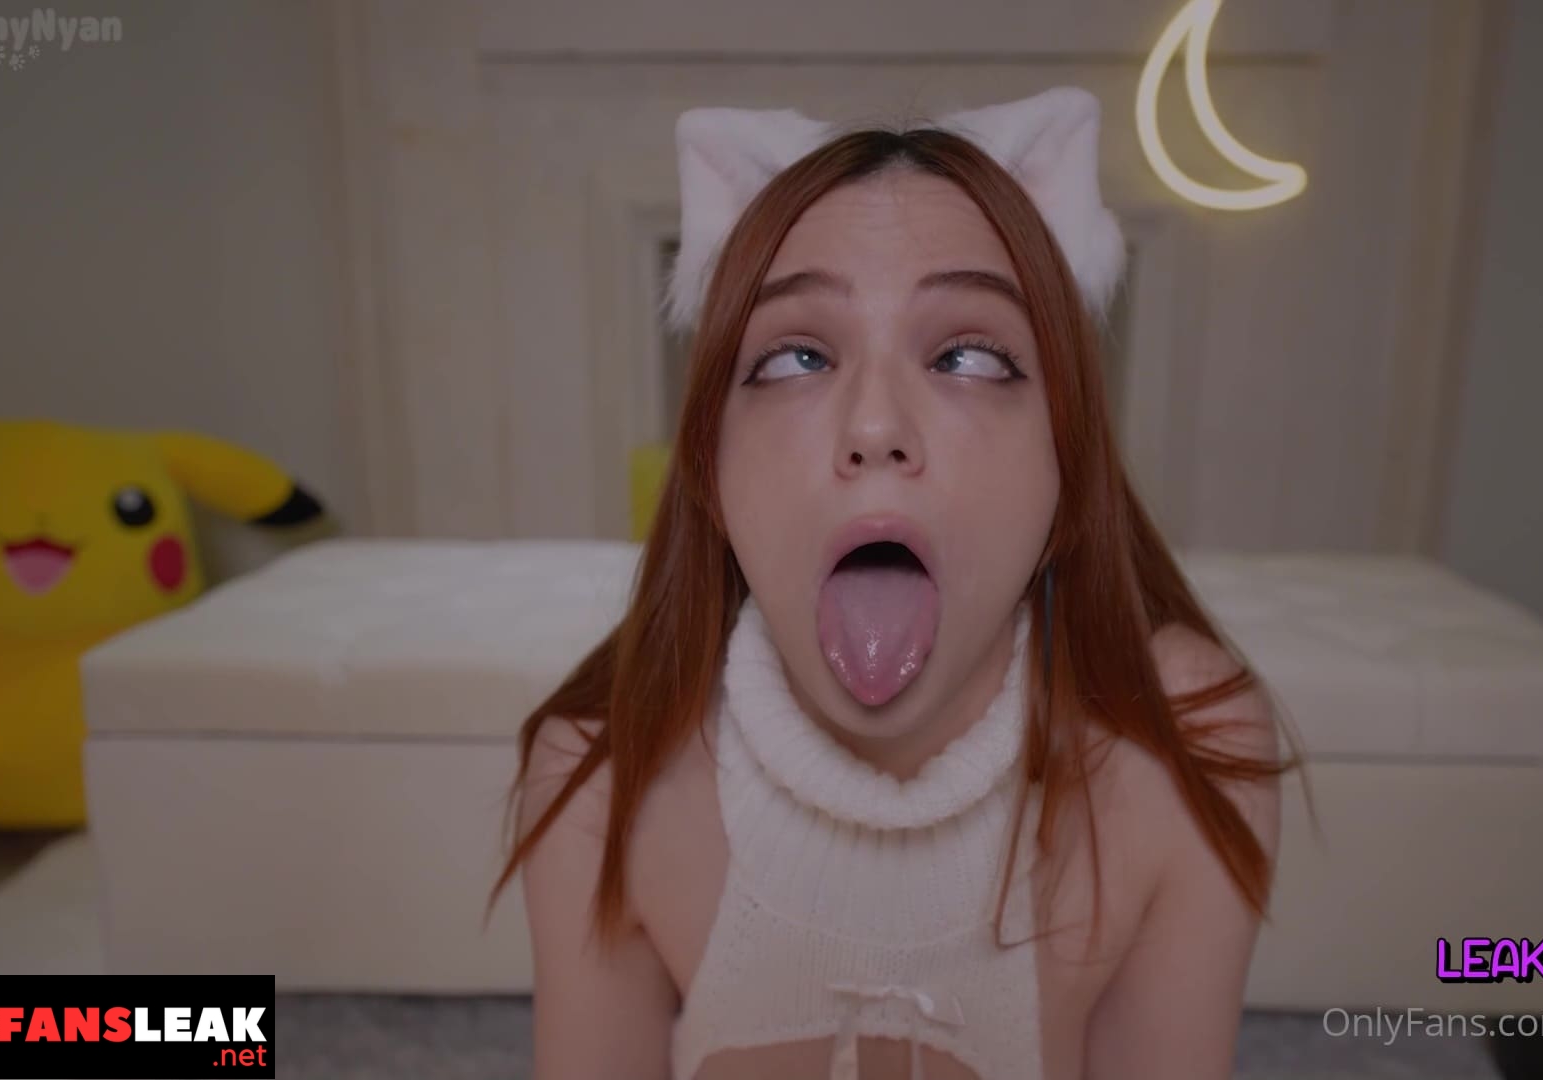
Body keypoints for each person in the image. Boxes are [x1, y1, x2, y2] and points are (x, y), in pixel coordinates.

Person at [494, 87, 1293, 1080]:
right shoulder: (599, 775)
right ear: (709, 467)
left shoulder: (1189, 745)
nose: (875, 425)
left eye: (970, 356)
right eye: (796, 356)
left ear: (1068, 463)